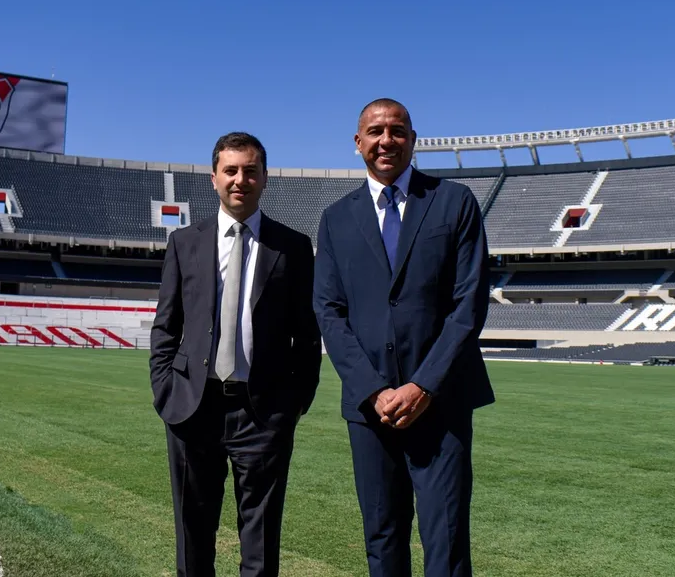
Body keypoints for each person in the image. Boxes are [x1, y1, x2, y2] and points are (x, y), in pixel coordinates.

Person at [314, 98, 493, 577]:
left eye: (397, 130)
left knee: (447, 541)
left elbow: (469, 304)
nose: (386, 140)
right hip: (370, 410)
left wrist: (423, 385)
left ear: (413, 140)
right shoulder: (335, 219)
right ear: (358, 143)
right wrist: (374, 390)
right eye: (375, 131)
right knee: (383, 538)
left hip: (442, 404)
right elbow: (329, 313)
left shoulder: (455, 202)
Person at [150, 132, 321, 577]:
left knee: (260, 545)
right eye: (230, 170)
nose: (240, 179)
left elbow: (307, 334)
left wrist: (295, 403)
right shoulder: (184, 242)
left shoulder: (293, 247)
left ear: (264, 178)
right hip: (193, 407)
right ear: (214, 178)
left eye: (250, 171)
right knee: (192, 538)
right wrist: (166, 390)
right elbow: (165, 326)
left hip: (262, 412)